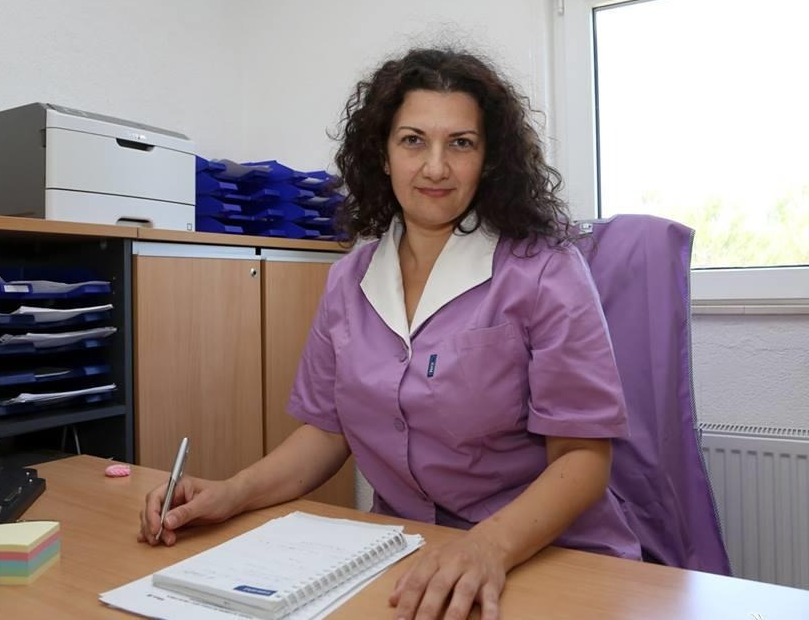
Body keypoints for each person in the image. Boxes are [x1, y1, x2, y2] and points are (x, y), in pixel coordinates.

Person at [139, 47, 641, 620]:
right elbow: (329, 431)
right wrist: (230, 493)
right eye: (412, 141)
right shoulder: (349, 280)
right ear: (381, 153)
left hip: (546, 558)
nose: (435, 167)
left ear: (489, 159)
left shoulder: (546, 271)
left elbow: (581, 458)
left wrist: (486, 546)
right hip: (405, 558)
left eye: (461, 143)